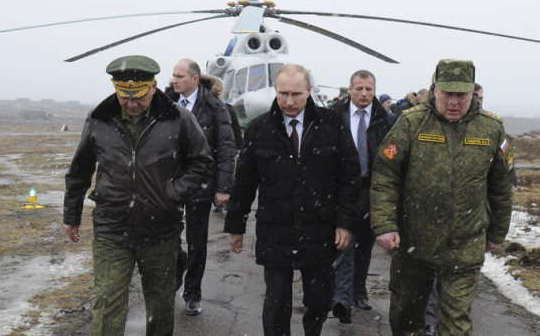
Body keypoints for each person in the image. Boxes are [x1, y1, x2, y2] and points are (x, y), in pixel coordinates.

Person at [63, 55, 213, 335]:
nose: (131, 104)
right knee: (108, 306)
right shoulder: (99, 118)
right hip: (111, 230)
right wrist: (71, 214)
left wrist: (173, 193)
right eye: (124, 97)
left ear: (154, 86)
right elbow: (79, 170)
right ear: (116, 89)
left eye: (139, 97)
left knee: (160, 308)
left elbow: (201, 163)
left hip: (161, 232)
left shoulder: (178, 118)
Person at [371, 59, 514, 335]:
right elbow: (385, 175)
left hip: (465, 245)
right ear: (434, 89)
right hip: (414, 243)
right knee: (405, 319)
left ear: (473, 94)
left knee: (456, 325)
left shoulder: (491, 128)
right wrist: (385, 224)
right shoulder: (411, 123)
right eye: (448, 93)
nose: (454, 101)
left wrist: (497, 232)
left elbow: (501, 184)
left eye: (462, 95)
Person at [224, 64, 361, 336]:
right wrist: (235, 226)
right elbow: (244, 183)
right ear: (275, 91)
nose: (289, 101)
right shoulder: (259, 129)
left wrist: (346, 223)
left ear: (309, 91)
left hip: (320, 230)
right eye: (283, 93)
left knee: (319, 300)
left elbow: (350, 177)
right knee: (276, 303)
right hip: (276, 230)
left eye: (296, 94)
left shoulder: (332, 125)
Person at [167, 58, 236, 316]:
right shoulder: (165, 105)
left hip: (200, 183)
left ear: (195, 79)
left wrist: (223, 187)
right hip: (169, 185)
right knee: (169, 238)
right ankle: (176, 266)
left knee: (197, 242)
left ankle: (192, 293)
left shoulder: (215, 108)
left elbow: (227, 150)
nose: (174, 80)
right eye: (173, 75)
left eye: (180, 76)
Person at [330, 70, 395, 324]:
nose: (364, 93)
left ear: (374, 90)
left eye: (369, 89)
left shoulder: (386, 119)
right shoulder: (334, 116)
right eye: (359, 89)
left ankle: (358, 290)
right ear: (350, 89)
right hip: (342, 187)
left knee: (365, 243)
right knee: (343, 240)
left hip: (372, 187)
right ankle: (342, 297)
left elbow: (393, 152)